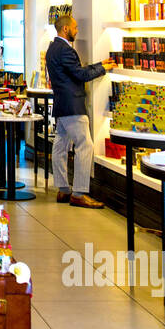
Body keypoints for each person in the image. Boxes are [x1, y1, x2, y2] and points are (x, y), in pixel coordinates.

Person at [45, 15, 114, 208]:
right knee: (85, 145)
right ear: (66, 29)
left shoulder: (52, 48)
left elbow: (75, 70)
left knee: (59, 146)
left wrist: (100, 64)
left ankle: (63, 189)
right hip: (73, 106)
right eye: (75, 28)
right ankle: (79, 192)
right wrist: (103, 69)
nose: (77, 31)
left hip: (61, 105)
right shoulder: (65, 50)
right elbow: (80, 74)